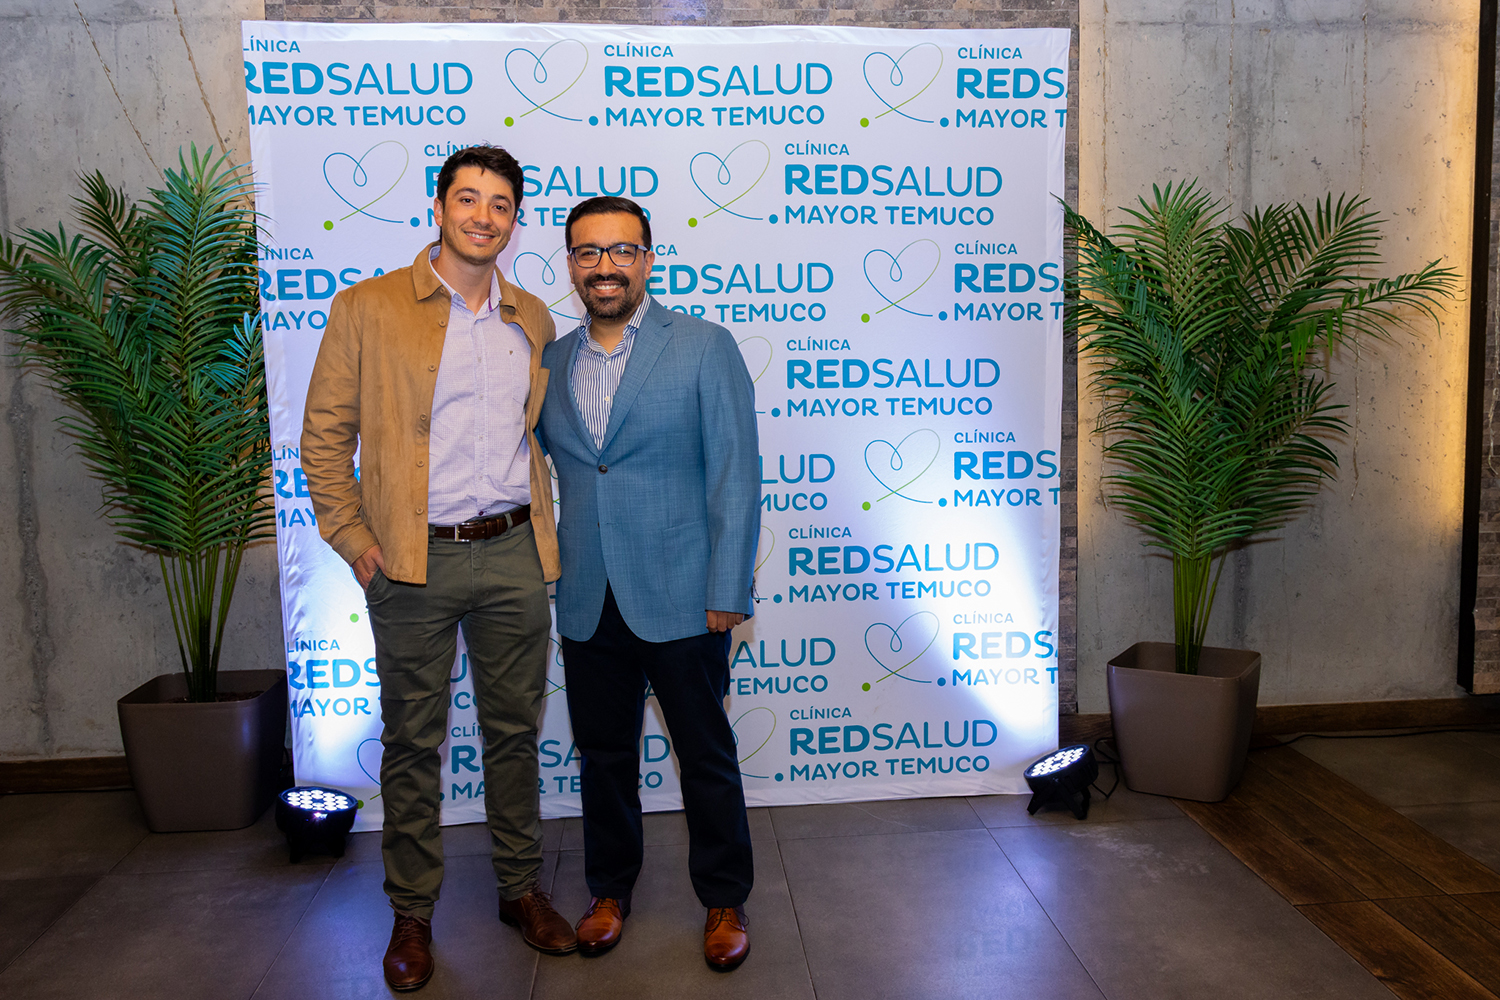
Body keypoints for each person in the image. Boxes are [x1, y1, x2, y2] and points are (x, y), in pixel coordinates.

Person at [302, 145, 576, 992]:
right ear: (439, 207)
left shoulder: (534, 319)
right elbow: (323, 439)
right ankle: (412, 913)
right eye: (468, 198)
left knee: (514, 737)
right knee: (413, 743)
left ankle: (519, 889)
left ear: (514, 221)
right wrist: (355, 541)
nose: (483, 216)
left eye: (500, 204)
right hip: (411, 563)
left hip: (514, 554)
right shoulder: (367, 307)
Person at [537, 196, 760, 970]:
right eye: (588, 252)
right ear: (571, 264)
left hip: (685, 595)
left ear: (648, 259)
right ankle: (608, 891)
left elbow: (736, 473)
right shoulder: (550, 363)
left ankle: (725, 898)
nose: (605, 266)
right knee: (604, 760)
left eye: (622, 250)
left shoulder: (702, 346)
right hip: (587, 597)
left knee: (705, 755)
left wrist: (728, 586)